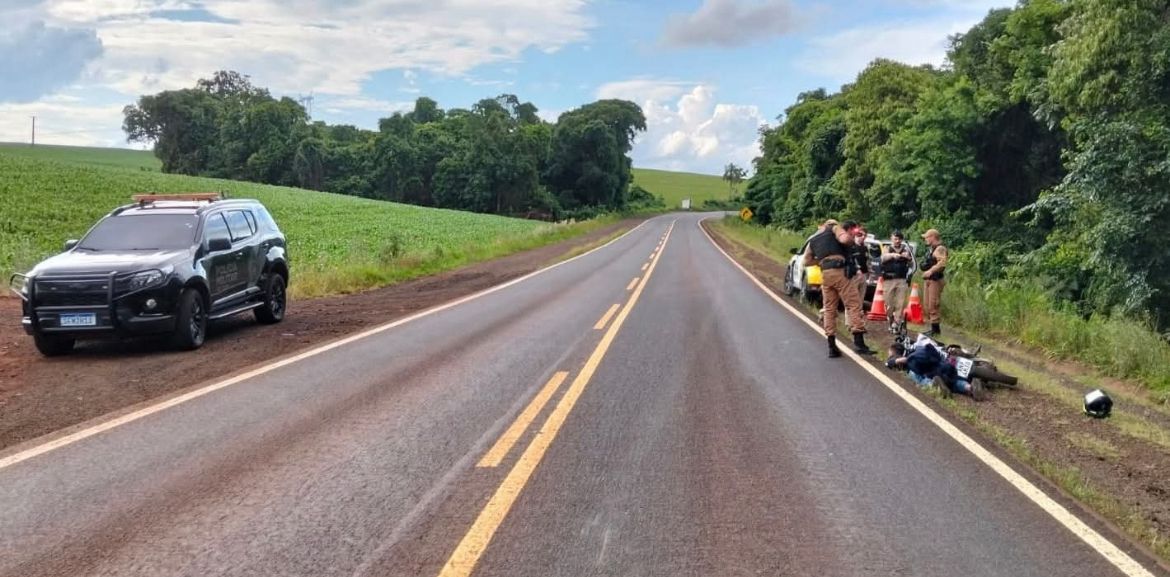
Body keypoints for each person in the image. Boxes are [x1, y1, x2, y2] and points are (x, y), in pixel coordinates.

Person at [803, 219, 874, 357]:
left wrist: (823, 260)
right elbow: (844, 239)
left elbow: (807, 261)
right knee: (853, 304)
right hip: (839, 272)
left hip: (826, 274)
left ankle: (831, 346)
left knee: (829, 309)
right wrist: (851, 241)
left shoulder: (814, 239)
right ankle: (859, 343)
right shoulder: (835, 228)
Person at [885, 338, 985, 400]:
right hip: (946, 369)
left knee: (915, 376)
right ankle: (969, 387)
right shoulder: (919, 349)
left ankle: (933, 385)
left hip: (932, 375)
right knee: (955, 382)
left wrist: (898, 361)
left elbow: (888, 363)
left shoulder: (909, 361)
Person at [880, 230, 913, 333]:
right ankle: (890, 320)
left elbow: (912, 264)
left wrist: (907, 257)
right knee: (889, 304)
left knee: (900, 303)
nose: (897, 241)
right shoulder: (887, 248)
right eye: (895, 238)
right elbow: (883, 258)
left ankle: (897, 324)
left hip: (902, 280)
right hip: (889, 280)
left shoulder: (906, 249)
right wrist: (893, 255)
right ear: (891, 239)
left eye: (899, 239)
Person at [920, 228, 948, 336]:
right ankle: (932, 328)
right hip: (929, 281)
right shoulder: (931, 249)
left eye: (927, 237)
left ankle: (936, 330)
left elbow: (942, 262)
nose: (925, 239)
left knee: (933, 305)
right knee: (927, 305)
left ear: (932, 237)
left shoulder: (940, 248)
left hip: (935, 280)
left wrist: (930, 271)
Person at [846, 227, 869, 327]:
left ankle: (857, 322)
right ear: (855, 236)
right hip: (854, 276)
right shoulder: (851, 247)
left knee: (860, 300)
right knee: (851, 300)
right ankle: (849, 322)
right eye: (859, 235)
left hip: (863, 275)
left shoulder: (865, 248)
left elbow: (867, 262)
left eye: (864, 235)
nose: (862, 237)